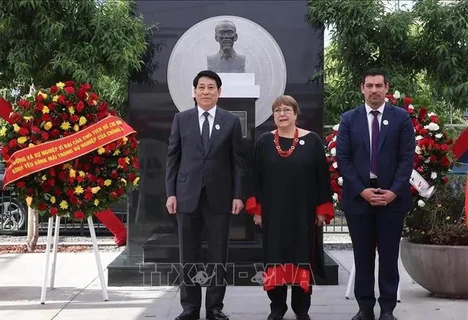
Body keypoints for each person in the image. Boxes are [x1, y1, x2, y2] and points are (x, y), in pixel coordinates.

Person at [245, 95, 335, 320]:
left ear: (296, 114)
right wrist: (257, 210)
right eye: (277, 111)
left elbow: (321, 177)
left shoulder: (312, 140)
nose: (282, 114)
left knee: (301, 257)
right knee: (275, 257)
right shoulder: (264, 142)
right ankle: (277, 307)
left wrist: (322, 210)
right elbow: (255, 177)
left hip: (303, 214)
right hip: (274, 214)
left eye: (287, 110)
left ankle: (301, 309)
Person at [165, 70, 245, 320]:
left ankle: (214, 307)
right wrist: (171, 193)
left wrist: (238, 195)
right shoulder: (182, 119)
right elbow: (173, 158)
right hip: (186, 195)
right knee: (187, 253)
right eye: (201, 87)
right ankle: (189, 306)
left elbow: (237, 162)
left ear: (220, 92)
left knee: (218, 254)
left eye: (211, 87)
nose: (206, 92)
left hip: (219, 198)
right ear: (194, 91)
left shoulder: (231, 121)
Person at [336, 68, 415, 320]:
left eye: (378, 85)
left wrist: (393, 192)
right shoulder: (349, 119)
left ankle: (388, 309)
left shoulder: (401, 118)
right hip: (359, 198)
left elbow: (407, 159)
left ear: (386, 88)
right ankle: (365, 307)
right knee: (362, 255)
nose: (374, 90)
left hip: (392, 199)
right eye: (369, 85)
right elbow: (343, 159)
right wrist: (362, 190)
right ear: (362, 88)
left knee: (389, 256)